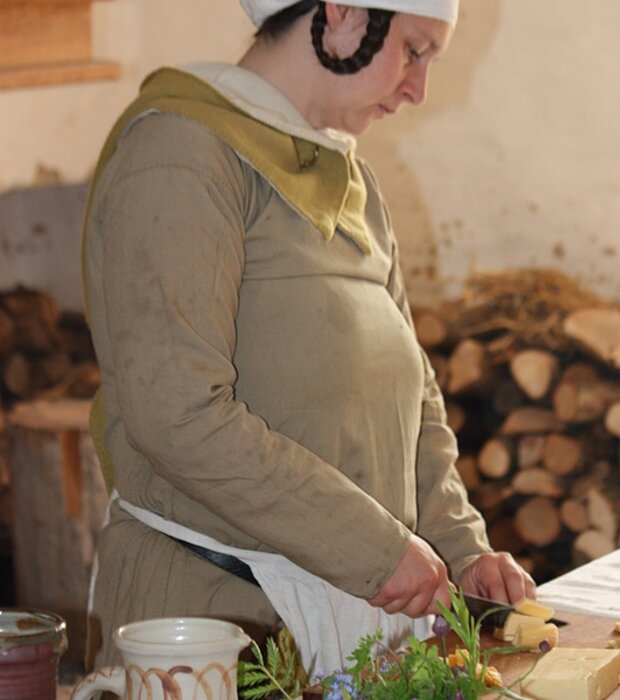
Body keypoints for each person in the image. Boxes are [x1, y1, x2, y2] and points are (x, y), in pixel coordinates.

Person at [82, 0, 536, 676]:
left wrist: (461, 550)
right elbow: (176, 413)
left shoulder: (348, 179)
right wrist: (375, 549)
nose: (418, 89)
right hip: (216, 624)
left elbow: (414, 398)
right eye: (413, 50)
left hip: (353, 617)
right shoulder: (179, 155)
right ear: (344, 14)